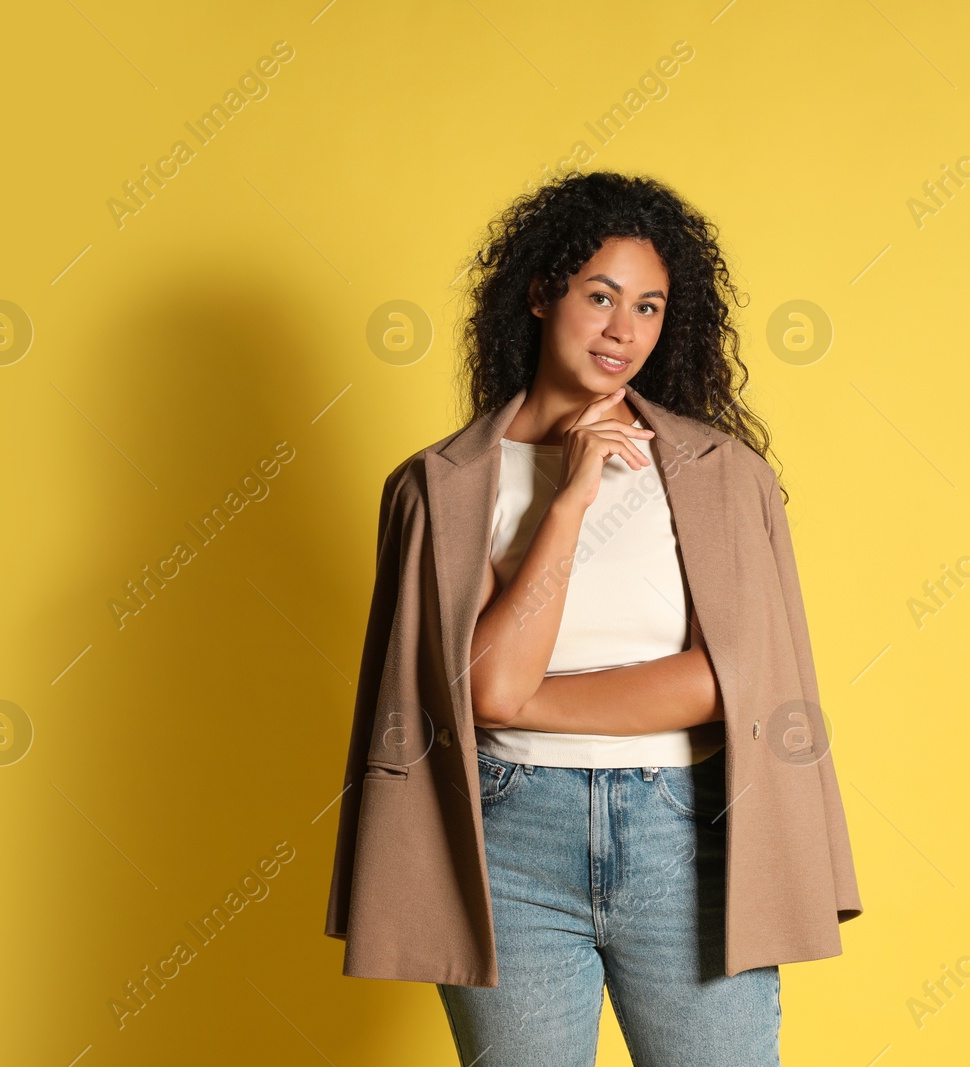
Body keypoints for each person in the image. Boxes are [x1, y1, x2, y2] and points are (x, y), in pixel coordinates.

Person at [324, 171, 861, 1066]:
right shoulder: (442, 486)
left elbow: (725, 680)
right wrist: (569, 501)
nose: (624, 330)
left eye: (649, 307)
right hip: (505, 848)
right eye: (600, 295)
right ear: (543, 294)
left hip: (683, 838)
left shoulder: (723, 477)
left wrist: (518, 700)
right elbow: (482, 686)